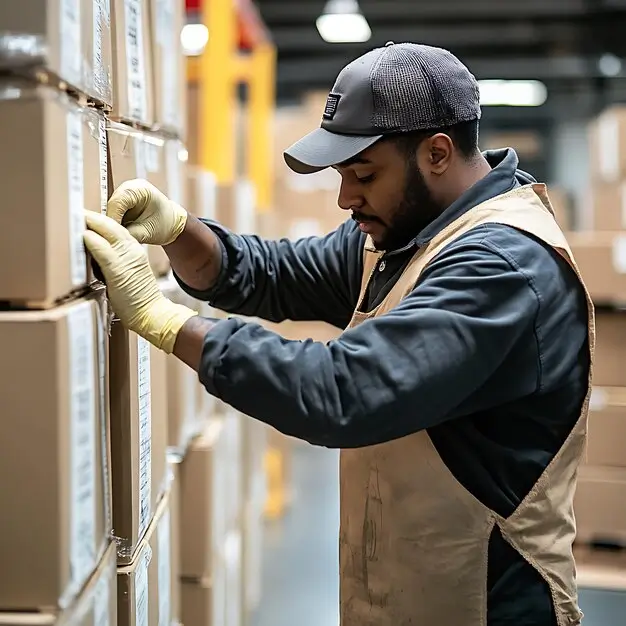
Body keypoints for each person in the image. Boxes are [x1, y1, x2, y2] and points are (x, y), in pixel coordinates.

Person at [84, 42, 594, 626]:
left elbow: (344, 391)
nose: (345, 197)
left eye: (363, 174)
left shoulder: (502, 266)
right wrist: (178, 231)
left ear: (436, 153)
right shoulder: (406, 239)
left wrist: (165, 320)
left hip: (489, 606)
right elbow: (271, 273)